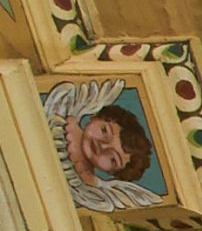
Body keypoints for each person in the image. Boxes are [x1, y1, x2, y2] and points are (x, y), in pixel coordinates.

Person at [40, 81, 165, 213]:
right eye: (104, 131)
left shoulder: (88, 191)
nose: (103, 146)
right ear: (96, 117)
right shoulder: (64, 104)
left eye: (113, 159)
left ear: (112, 172)